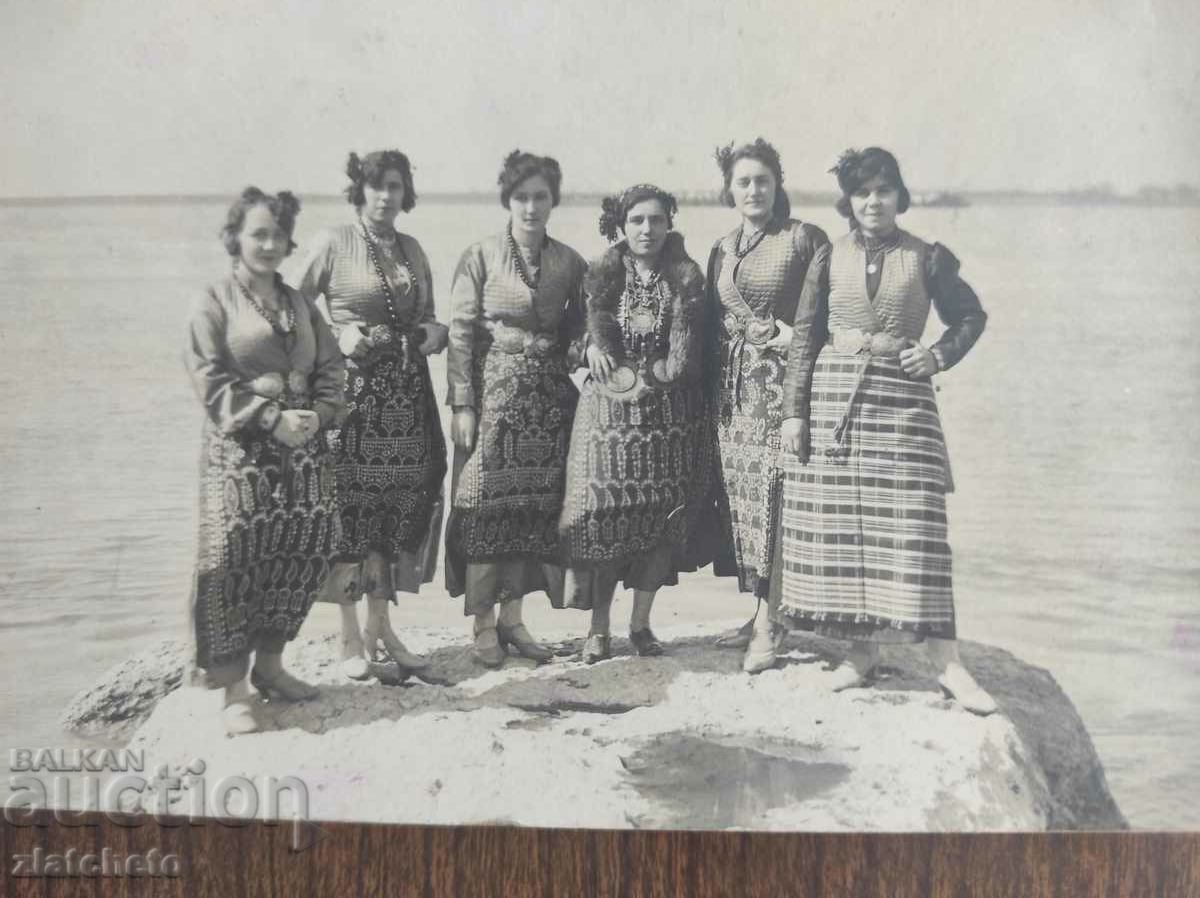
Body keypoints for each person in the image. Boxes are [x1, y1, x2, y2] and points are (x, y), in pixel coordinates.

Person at [779, 147, 996, 714]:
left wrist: (938, 356)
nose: (873, 202)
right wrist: (794, 412)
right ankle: (861, 655)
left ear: (900, 196)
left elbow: (970, 317)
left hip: (904, 406)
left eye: (883, 190)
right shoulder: (828, 255)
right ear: (848, 201)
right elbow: (805, 337)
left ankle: (948, 664)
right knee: (847, 531)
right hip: (835, 404)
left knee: (919, 530)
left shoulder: (928, 257)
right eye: (862, 192)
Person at [184, 187, 346, 734]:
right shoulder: (214, 300)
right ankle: (233, 688)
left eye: (279, 235)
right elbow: (208, 376)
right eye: (259, 234)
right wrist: (269, 417)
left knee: (304, 546)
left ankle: (272, 666)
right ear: (235, 237)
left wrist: (321, 415)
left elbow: (331, 365)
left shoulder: (299, 302)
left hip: (303, 448)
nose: (270, 245)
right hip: (241, 450)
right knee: (234, 557)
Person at [295, 150, 448, 679]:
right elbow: (293, 306)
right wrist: (337, 334)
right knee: (350, 510)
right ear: (359, 191)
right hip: (352, 399)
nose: (386, 196)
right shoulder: (333, 242)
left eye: (395, 186)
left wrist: (433, 333)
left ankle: (381, 628)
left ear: (407, 193)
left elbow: (431, 317)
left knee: (397, 510)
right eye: (377, 186)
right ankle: (348, 637)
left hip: (407, 398)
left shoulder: (412, 248)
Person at [445, 150, 588, 667]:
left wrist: (579, 352)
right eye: (522, 197)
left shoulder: (569, 262)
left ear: (553, 200)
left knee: (534, 511)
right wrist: (462, 403)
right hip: (494, 400)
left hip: (547, 403)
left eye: (540, 197)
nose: (531, 207)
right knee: (484, 504)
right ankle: (483, 623)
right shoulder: (480, 255)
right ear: (508, 200)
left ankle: (513, 618)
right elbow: (460, 332)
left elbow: (581, 327)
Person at [560, 185, 711, 662]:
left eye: (657, 220)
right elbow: (569, 333)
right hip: (609, 412)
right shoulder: (599, 276)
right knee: (605, 516)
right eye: (637, 220)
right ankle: (598, 627)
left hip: (670, 416)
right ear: (621, 226)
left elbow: (701, 345)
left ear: (669, 224)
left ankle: (641, 624)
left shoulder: (687, 279)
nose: (648, 230)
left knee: (660, 519)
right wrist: (588, 347)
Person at [705, 139, 830, 673]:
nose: (753, 190)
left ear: (778, 185)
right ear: (729, 190)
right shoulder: (722, 247)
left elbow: (819, 320)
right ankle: (761, 608)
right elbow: (712, 326)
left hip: (781, 390)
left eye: (763, 180)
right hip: (733, 396)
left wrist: (794, 352)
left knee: (778, 500)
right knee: (746, 505)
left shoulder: (804, 239)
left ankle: (769, 623)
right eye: (743, 182)